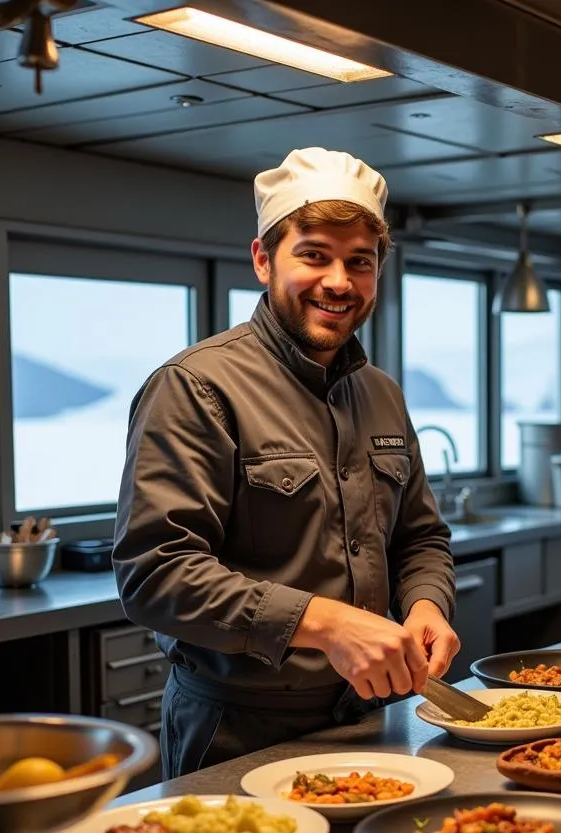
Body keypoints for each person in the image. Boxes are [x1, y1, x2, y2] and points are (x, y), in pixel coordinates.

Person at [113, 147, 460, 779]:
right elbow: (155, 576)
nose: (339, 281)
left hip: (371, 720)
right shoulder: (196, 387)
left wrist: (427, 605)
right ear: (263, 259)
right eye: (314, 254)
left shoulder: (380, 392)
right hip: (236, 730)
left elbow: (420, 537)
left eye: (360, 262)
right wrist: (325, 624)